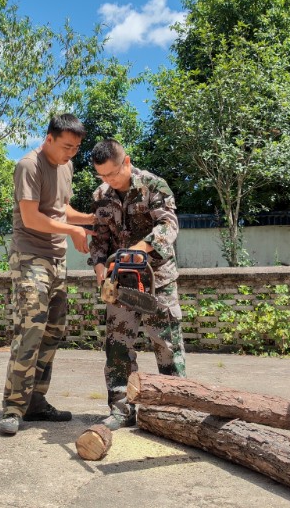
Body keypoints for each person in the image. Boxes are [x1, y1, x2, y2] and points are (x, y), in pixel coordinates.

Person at [0, 114, 95, 436]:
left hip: (58, 260)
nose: (71, 153)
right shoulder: (29, 165)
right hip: (30, 257)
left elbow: (61, 208)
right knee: (30, 330)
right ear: (49, 139)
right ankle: (13, 407)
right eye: (67, 146)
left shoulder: (66, 166)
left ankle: (36, 402)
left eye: (77, 148)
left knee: (54, 331)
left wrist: (93, 219)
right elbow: (31, 217)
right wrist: (73, 230)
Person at [88, 139, 186, 430]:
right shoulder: (101, 196)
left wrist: (140, 248)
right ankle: (121, 409)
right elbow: (99, 239)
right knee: (118, 345)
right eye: (101, 175)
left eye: (113, 174)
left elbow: (169, 226)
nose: (108, 180)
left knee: (165, 343)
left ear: (126, 162)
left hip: (157, 279)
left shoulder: (154, 186)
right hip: (120, 282)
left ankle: (175, 409)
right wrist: (99, 265)